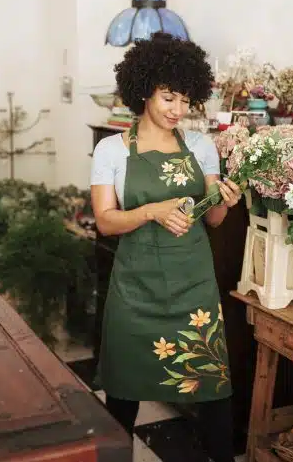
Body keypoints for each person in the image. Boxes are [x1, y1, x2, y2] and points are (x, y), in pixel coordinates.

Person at [90, 32, 242, 462]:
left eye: (185, 100)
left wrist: (225, 202)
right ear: (143, 92)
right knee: (122, 395)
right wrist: (152, 210)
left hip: (193, 287)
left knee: (212, 393)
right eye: (168, 97)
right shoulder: (111, 150)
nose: (178, 110)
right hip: (135, 291)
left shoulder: (201, 146)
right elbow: (105, 220)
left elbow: (211, 217)